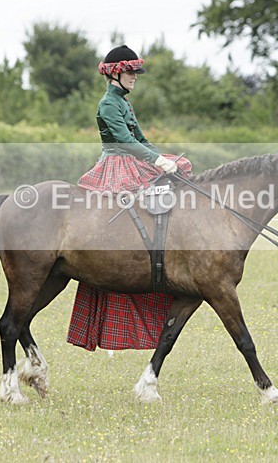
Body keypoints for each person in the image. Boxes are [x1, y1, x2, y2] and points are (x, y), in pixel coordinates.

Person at [67, 45, 192, 351]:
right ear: (115, 73)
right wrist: (156, 161)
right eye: (130, 72)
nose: (135, 78)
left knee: (182, 170)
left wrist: (159, 157)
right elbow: (123, 141)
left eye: (135, 73)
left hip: (134, 158)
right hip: (116, 164)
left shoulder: (124, 102)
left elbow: (139, 139)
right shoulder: (108, 104)